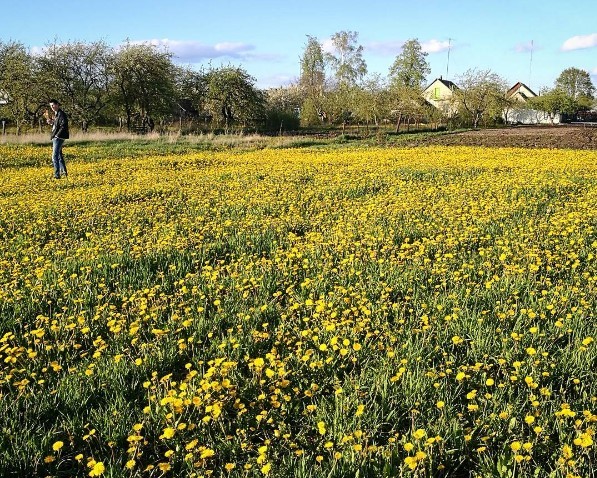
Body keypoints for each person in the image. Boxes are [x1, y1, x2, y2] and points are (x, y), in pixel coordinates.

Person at [47, 99, 69, 179]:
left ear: (57, 104)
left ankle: (57, 175)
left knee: (54, 156)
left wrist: (57, 135)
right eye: (51, 106)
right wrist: (52, 122)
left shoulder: (61, 114)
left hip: (58, 137)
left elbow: (63, 126)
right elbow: (57, 125)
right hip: (56, 137)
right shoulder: (56, 114)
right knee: (59, 156)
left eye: (53, 105)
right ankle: (64, 173)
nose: (52, 107)